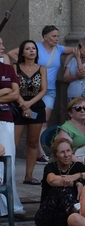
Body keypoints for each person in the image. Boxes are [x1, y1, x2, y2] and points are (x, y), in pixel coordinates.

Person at [34, 135, 85, 226]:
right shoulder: (51, 166)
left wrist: (77, 176)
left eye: (68, 151)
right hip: (47, 217)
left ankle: (83, 216)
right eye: (62, 152)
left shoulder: (77, 166)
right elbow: (52, 180)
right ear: (55, 155)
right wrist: (76, 183)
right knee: (62, 188)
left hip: (67, 217)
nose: (66, 155)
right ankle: (82, 217)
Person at [13, 40, 47, 185]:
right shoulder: (15, 67)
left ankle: (29, 175)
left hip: (36, 106)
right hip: (18, 105)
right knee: (12, 143)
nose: (32, 51)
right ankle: (7, 174)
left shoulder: (41, 68)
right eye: (28, 49)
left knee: (33, 143)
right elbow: (14, 88)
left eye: (34, 48)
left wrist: (30, 104)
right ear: (22, 52)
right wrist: (24, 105)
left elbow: (44, 90)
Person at [0, 38, 25, 219]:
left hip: (6, 119)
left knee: (9, 161)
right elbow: (10, 92)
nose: (3, 47)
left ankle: (11, 205)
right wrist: (4, 92)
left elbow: (16, 94)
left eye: (3, 43)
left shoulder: (9, 69)